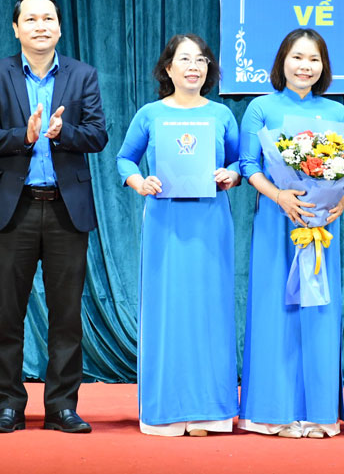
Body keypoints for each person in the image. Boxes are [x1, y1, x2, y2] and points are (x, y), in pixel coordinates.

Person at [0, 0, 107, 434]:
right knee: (7, 313)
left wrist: (63, 130)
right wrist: (25, 135)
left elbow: (98, 135)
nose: (41, 26)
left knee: (66, 314)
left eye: (48, 18)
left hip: (68, 210)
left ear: (60, 27)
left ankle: (62, 406)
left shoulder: (83, 75)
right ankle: (8, 404)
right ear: (16, 29)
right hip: (17, 209)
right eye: (31, 19)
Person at [116, 34, 240, 436]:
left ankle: (210, 412)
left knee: (210, 311)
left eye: (201, 60)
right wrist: (137, 181)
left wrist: (232, 175)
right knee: (166, 310)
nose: (194, 66)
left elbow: (239, 161)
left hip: (210, 221)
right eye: (184, 59)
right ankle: (165, 410)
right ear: (167, 68)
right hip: (164, 223)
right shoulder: (150, 113)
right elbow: (124, 159)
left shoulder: (222, 114)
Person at [238, 28, 344, 438]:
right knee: (275, 311)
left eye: (314, 59)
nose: (306, 66)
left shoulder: (337, 112)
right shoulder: (260, 108)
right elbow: (248, 165)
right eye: (298, 57)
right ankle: (273, 412)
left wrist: (342, 200)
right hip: (275, 222)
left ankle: (319, 414)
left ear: (324, 66)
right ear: (282, 61)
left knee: (319, 313)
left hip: (321, 226)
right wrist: (280, 197)